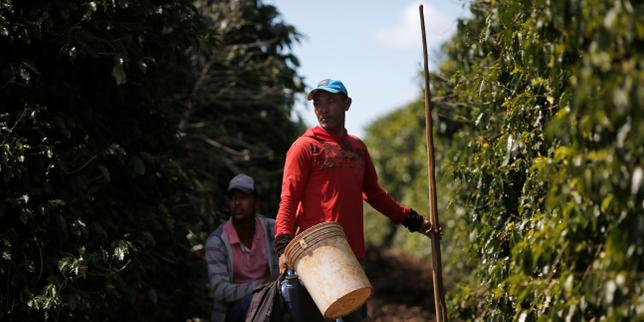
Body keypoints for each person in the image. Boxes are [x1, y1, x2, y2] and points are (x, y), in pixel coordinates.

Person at [273, 79, 441, 321]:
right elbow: (288, 199)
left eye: (331, 101)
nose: (323, 109)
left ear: (347, 104)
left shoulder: (357, 149)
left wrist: (413, 221)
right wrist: (282, 247)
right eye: (317, 103)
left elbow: (374, 194)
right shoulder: (305, 147)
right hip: (313, 255)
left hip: (349, 254)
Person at [206, 174, 279, 322]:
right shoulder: (217, 241)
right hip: (234, 310)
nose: (237, 203)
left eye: (243, 197)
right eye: (233, 198)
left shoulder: (272, 229)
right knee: (255, 301)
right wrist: (261, 285)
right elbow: (221, 291)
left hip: (272, 299)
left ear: (256, 203)